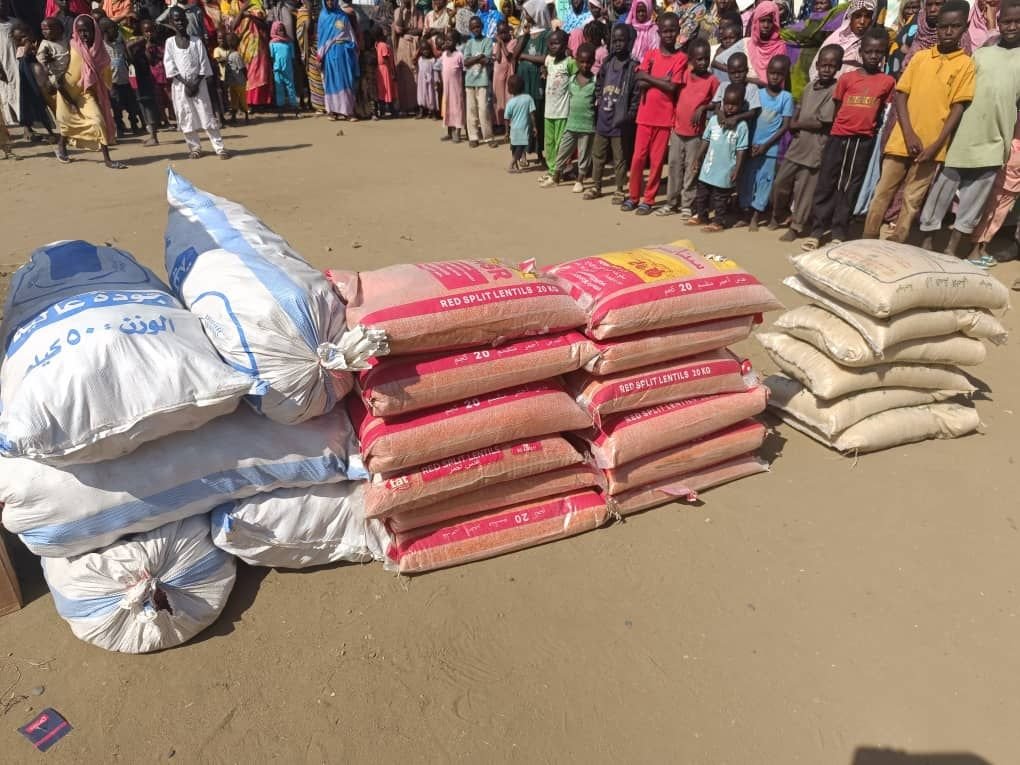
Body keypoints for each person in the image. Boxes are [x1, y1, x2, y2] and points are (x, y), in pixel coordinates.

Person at [863, 0, 975, 242]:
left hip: (931, 147)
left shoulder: (965, 64)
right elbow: (901, 95)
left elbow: (958, 107)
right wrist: (908, 133)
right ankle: (868, 237)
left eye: (955, 26)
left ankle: (898, 240)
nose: (948, 32)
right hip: (901, 139)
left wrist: (936, 145)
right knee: (882, 192)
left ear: (965, 28)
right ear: (936, 26)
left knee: (912, 199)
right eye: (943, 26)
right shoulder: (921, 57)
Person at [919, 0, 1020, 262]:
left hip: (996, 140)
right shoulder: (982, 54)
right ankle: (927, 241)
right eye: (1006, 21)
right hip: (963, 135)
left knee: (974, 200)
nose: (1012, 26)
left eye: (1017, 22)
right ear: (998, 23)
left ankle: (952, 249)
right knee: (941, 191)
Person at [802, 27, 894, 248]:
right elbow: (838, 107)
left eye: (878, 52)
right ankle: (817, 230)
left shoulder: (887, 82)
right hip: (838, 137)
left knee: (850, 186)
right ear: (860, 53)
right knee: (827, 182)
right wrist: (838, 129)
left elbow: (882, 110)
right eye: (869, 51)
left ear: (884, 54)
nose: (873, 56)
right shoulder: (846, 79)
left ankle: (839, 231)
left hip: (862, 141)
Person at [772, 44, 842, 241]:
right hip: (798, 144)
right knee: (780, 182)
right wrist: (794, 122)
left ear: (838, 67)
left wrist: (796, 123)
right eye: (824, 65)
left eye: (832, 65)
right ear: (817, 65)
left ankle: (796, 226)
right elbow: (800, 107)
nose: (827, 69)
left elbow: (822, 122)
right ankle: (780, 213)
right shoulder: (810, 87)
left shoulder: (835, 91)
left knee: (804, 190)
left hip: (815, 148)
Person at [622, 12, 685, 214]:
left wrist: (648, 78)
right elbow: (638, 81)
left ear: (678, 31)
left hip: (664, 119)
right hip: (644, 116)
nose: (669, 34)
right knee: (638, 159)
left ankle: (648, 199)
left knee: (657, 162)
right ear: (658, 32)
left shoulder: (681, 58)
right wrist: (659, 80)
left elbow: (672, 87)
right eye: (665, 31)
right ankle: (633, 196)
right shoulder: (650, 54)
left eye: (672, 30)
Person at [54, 13, 125, 167]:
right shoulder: (70, 46)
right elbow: (58, 69)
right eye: (80, 31)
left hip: (85, 93)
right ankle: (61, 146)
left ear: (95, 31)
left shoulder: (101, 51)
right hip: (66, 93)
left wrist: (105, 90)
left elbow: (106, 77)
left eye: (86, 30)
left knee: (98, 121)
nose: (83, 34)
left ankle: (107, 160)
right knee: (67, 124)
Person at [658, 36, 718, 219]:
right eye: (699, 59)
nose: (703, 62)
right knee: (674, 166)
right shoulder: (684, 75)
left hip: (695, 134)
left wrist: (704, 107)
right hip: (677, 130)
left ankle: (687, 204)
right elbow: (673, 89)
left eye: (706, 58)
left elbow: (718, 102)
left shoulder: (712, 80)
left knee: (691, 168)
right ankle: (671, 202)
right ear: (691, 60)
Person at [164, 5, 230, 158]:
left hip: (199, 85)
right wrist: (186, 83)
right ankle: (195, 147)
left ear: (187, 21)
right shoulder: (170, 43)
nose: (180, 23)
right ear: (171, 23)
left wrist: (195, 82)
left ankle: (219, 148)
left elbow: (204, 64)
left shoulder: (196, 41)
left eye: (182, 19)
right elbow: (170, 65)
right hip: (181, 87)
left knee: (206, 114)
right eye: (176, 20)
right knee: (186, 115)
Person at [739, 54, 793, 230]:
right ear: (766, 72)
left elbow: (785, 126)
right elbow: (750, 119)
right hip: (751, 147)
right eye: (772, 72)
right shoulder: (758, 94)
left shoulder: (785, 98)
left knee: (764, 182)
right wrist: (749, 143)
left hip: (769, 150)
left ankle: (756, 216)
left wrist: (766, 145)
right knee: (748, 179)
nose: (775, 77)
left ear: (784, 76)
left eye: (779, 74)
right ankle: (745, 214)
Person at [586, 22, 638, 201]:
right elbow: (599, 83)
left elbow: (636, 94)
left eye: (622, 40)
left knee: (619, 157)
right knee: (598, 154)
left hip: (619, 121)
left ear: (629, 42)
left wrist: (630, 114)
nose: (618, 44)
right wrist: (599, 97)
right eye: (615, 40)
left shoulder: (632, 66)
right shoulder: (607, 63)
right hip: (603, 118)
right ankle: (596, 186)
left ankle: (620, 189)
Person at [687, 83, 749, 231]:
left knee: (720, 198)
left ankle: (719, 222)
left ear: (741, 105)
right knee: (702, 194)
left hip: (725, 170)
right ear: (722, 102)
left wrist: (737, 169)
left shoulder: (742, 126)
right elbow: (706, 140)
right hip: (709, 167)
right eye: (727, 103)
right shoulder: (714, 120)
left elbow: (741, 150)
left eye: (734, 104)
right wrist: (697, 158)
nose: (730, 107)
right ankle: (702, 216)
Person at [517, 27, 574, 176]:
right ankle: (552, 170)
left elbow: (577, 76)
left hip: (562, 112)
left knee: (560, 142)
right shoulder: (549, 60)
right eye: (551, 43)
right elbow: (543, 60)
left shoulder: (569, 62)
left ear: (565, 45)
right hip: (549, 111)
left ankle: (561, 169)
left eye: (557, 43)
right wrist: (542, 69)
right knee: (549, 143)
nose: (553, 46)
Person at [542, 42, 597, 189]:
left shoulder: (595, 81)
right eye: (582, 62)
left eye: (588, 62)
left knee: (584, 154)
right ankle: (555, 177)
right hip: (571, 123)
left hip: (587, 126)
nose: (585, 65)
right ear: (576, 60)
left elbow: (597, 103)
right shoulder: (571, 80)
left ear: (593, 62)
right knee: (562, 151)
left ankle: (580, 180)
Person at [781, 0, 846, 101]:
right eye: (816, 4)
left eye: (822, 3)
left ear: (831, 4)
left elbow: (846, 6)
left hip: (821, 61)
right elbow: (792, 32)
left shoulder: (834, 19)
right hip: (801, 64)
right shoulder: (808, 22)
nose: (819, 6)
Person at [513, 0, 551, 166]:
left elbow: (544, 58)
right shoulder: (524, 32)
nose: (525, 15)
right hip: (524, 78)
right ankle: (522, 153)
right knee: (523, 115)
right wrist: (524, 35)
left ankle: (539, 151)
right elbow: (515, 55)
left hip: (537, 79)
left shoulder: (547, 34)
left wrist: (525, 57)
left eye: (528, 12)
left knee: (537, 113)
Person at [222, 0, 272, 110]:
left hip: (258, 43)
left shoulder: (256, 2)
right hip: (242, 44)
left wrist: (250, 16)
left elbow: (264, 24)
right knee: (246, 71)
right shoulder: (234, 5)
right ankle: (248, 102)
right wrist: (242, 11)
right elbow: (232, 26)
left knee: (259, 71)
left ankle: (260, 102)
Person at [810, 0, 875, 80]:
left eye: (867, 16)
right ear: (850, 17)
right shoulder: (836, 39)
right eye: (858, 16)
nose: (862, 21)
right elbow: (816, 70)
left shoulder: (873, 43)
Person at [317, 0, 358, 120]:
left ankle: (348, 112)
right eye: (327, 0)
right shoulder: (323, 16)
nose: (330, 2)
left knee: (347, 81)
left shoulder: (342, 15)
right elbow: (321, 38)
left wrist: (352, 46)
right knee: (331, 82)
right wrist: (319, 57)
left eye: (332, 0)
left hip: (345, 54)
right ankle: (332, 111)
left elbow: (350, 33)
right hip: (329, 54)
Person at [99, 17, 141, 136]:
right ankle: (120, 127)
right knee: (116, 105)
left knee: (131, 103)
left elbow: (127, 54)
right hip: (111, 81)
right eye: (113, 29)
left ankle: (134, 124)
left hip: (125, 78)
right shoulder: (101, 45)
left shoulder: (120, 40)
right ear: (105, 32)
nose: (116, 31)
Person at [125, 22, 160, 144]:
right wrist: (141, 41)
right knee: (142, 105)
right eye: (146, 31)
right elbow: (128, 49)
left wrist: (147, 47)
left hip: (146, 79)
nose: (149, 34)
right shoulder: (135, 42)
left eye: (151, 31)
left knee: (149, 105)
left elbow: (152, 62)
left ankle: (154, 136)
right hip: (136, 78)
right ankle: (151, 133)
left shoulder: (153, 45)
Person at [463, 14, 493, 145]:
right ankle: (473, 137)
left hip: (482, 80)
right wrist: (478, 57)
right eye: (473, 27)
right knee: (471, 110)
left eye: (478, 27)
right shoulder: (469, 43)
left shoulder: (487, 41)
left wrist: (474, 59)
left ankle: (488, 137)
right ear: (470, 29)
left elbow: (487, 60)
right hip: (470, 81)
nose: (476, 29)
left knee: (483, 109)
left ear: (482, 27)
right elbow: (466, 62)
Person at [712, 51, 759, 129]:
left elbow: (753, 112)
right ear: (728, 72)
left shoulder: (752, 88)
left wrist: (736, 118)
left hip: (741, 130)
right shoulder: (723, 86)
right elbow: (717, 106)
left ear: (746, 70)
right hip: (722, 128)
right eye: (732, 73)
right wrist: (719, 113)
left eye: (740, 72)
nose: (737, 75)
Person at [745, 0, 786, 82]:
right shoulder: (747, 43)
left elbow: (776, 81)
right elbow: (719, 61)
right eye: (762, 21)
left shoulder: (780, 47)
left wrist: (748, 79)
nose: (766, 25)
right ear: (756, 21)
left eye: (769, 21)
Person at [504, 72, 536, 171]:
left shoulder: (510, 102)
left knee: (514, 147)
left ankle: (515, 166)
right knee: (521, 147)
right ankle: (512, 164)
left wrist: (507, 132)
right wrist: (535, 127)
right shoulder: (528, 98)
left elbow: (506, 118)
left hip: (514, 129)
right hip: (524, 129)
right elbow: (532, 115)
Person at [393, 0, 420, 115]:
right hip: (402, 45)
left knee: (415, 74)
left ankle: (415, 105)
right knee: (403, 75)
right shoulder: (397, 11)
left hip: (414, 45)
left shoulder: (418, 12)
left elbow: (420, 30)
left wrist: (406, 32)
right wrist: (401, 11)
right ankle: (404, 106)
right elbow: (398, 29)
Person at [270, 19, 299, 115]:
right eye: (279, 30)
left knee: (291, 87)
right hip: (277, 69)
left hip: (288, 69)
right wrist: (273, 68)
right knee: (279, 88)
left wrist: (294, 68)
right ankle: (280, 107)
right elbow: (271, 57)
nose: (282, 32)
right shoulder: (272, 43)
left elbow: (292, 57)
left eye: (283, 30)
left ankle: (294, 106)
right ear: (275, 31)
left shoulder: (289, 42)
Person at [440, 27, 464, 141]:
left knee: (457, 109)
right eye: (446, 40)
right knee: (447, 109)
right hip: (446, 89)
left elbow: (464, 71)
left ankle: (457, 133)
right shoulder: (444, 55)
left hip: (456, 89)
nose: (447, 42)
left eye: (450, 40)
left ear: (456, 42)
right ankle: (449, 132)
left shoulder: (459, 55)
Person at [0, 0, 21, 130]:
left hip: (17, 61)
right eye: (1, 5)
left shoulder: (15, 22)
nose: (3, 7)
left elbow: (25, 38)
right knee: (6, 91)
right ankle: (11, 120)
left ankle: (24, 120)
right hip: (3, 64)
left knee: (19, 89)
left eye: (5, 5)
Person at [492, 19, 513, 134]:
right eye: (500, 33)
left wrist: (502, 43)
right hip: (498, 74)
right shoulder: (497, 44)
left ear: (509, 31)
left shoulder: (513, 42)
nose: (503, 35)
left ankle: (509, 124)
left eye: (505, 32)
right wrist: (499, 44)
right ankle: (499, 123)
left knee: (509, 97)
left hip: (509, 73)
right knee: (499, 99)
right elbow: (498, 58)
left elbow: (508, 55)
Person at [711, 19, 744, 88]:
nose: (728, 41)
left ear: (738, 38)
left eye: (731, 38)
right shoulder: (721, 50)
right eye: (725, 39)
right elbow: (714, 63)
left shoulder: (742, 49)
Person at [373, 24, 396, 117]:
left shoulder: (376, 44)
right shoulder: (383, 45)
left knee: (381, 89)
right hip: (385, 69)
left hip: (378, 69)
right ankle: (391, 109)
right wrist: (391, 70)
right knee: (387, 88)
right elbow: (386, 58)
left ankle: (382, 111)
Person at [415, 30, 438, 117]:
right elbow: (414, 59)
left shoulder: (432, 60)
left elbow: (434, 71)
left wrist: (435, 80)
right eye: (423, 50)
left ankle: (433, 112)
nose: (425, 51)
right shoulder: (420, 59)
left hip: (430, 81)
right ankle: (421, 111)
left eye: (427, 49)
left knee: (431, 95)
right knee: (421, 95)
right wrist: (418, 50)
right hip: (421, 82)